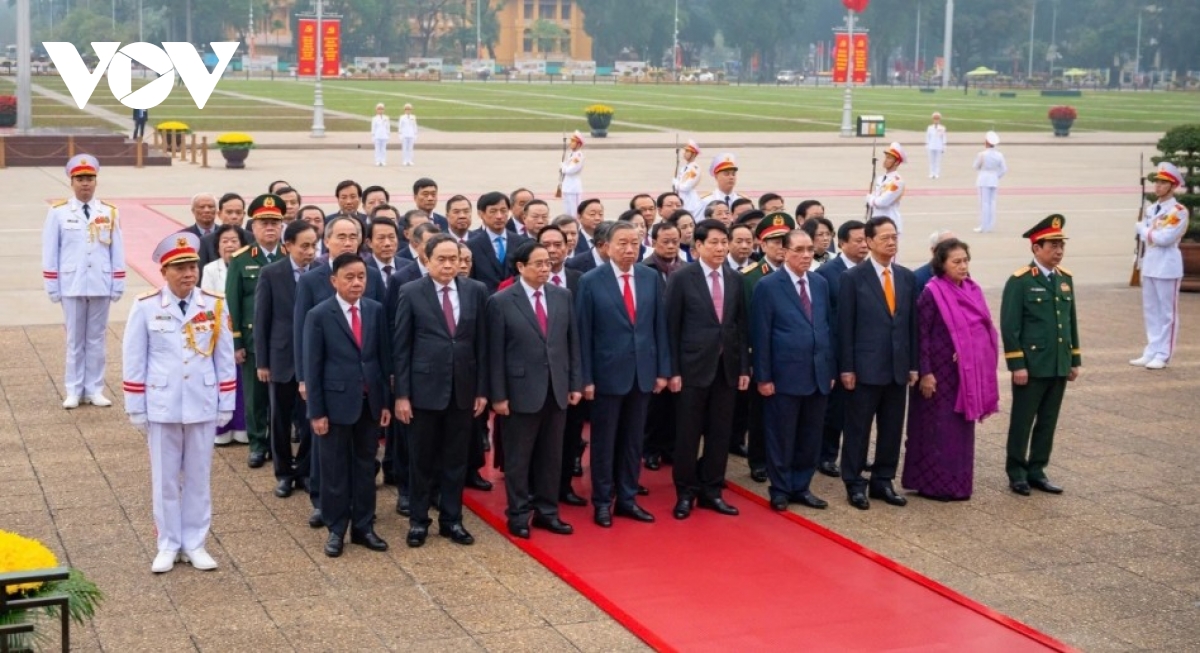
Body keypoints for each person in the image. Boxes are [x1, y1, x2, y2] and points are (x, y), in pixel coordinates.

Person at [123, 232, 235, 573]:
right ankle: (168, 543)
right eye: (180, 268)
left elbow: (224, 357)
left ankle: (195, 542)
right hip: (163, 402)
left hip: (202, 400)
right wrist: (135, 405)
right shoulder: (146, 306)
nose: (188, 274)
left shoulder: (214, 304)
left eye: (192, 267)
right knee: (165, 479)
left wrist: (226, 401)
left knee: (199, 478)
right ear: (164, 272)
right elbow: (134, 358)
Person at [393, 234, 489, 547]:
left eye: (454, 259)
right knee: (421, 460)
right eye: (442, 259)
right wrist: (402, 395)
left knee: (456, 460)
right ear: (427, 260)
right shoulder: (411, 291)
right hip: (423, 392)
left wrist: (482, 390)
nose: (449, 265)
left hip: (463, 390)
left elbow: (482, 344)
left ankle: (452, 520)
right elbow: (401, 347)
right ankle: (419, 521)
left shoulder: (476, 290)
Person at [576, 222, 670, 527]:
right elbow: (583, 333)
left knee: (633, 441)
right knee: (604, 442)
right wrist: (586, 378)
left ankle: (627, 498)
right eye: (622, 243)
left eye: (634, 243)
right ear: (607, 246)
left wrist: (662, 370)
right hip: (606, 375)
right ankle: (603, 501)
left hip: (642, 372)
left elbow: (659, 326)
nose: (629, 249)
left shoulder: (649, 277)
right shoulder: (591, 281)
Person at [487, 241, 583, 539]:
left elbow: (572, 343)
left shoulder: (562, 296)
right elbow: (494, 354)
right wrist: (498, 396)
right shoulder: (501, 301)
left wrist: (575, 383)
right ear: (521, 267)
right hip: (519, 391)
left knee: (551, 456)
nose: (545, 268)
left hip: (556, 388)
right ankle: (517, 514)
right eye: (538, 263)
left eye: (548, 264)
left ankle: (547, 512)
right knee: (519, 458)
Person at [303, 253, 392, 558]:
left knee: (366, 467)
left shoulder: (375, 310)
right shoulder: (319, 314)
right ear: (334, 280)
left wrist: (384, 402)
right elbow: (313, 367)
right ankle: (336, 528)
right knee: (334, 469)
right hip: (335, 404)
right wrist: (317, 412)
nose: (356, 283)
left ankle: (364, 526)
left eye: (361, 277)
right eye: (349, 277)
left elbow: (382, 359)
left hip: (369, 403)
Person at [665, 220, 749, 519]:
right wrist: (673, 370)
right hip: (692, 369)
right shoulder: (681, 277)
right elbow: (671, 327)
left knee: (720, 434)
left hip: (726, 369)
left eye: (724, 242)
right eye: (714, 242)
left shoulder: (735, 278)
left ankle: (712, 490)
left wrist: (743, 367)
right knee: (687, 435)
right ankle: (685, 493)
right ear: (698, 246)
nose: (720, 248)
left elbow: (740, 327)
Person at [903, 239, 999, 502]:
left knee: (961, 432)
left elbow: (984, 329)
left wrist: (969, 349)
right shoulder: (932, 292)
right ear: (942, 264)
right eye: (956, 262)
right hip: (937, 374)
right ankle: (932, 485)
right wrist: (926, 372)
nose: (963, 266)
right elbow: (921, 335)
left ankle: (959, 484)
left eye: (965, 260)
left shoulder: (972, 290)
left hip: (964, 375)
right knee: (936, 430)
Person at [752, 229, 836, 512]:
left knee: (810, 436)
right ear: (785, 252)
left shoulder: (820, 283)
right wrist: (764, 377)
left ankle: (801, 486)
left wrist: (830, 369)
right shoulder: (768, 286)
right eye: (799, 250)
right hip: (783, 376)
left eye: (810, 249)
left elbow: (826, 328)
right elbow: (761, 334)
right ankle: (780, 489)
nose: (806, 255)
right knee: (781, 436)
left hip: (817, 374)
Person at [838, 216, 918, 510]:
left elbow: (911, 325)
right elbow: (845, 326)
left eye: (894, 237)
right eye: (885, 237)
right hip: (864, 369)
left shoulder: (906, 277)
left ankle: (883, 480)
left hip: (897, 368)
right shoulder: (852, 278)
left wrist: (913, 365)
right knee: (858, 428)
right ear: (870, 241)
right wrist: (847, 367)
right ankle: (854, 482)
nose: (891, 242)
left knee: (892, 428)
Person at [1002, 214, 1080, 496]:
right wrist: (1017, 364)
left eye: (1061, 245)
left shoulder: (1065, 279)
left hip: (1058, 363)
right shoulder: (1021, 281)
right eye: (1053, 245)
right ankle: (1017, 472)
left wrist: (1074, 359)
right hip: (1032, 366)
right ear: (1036, 247)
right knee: (1023, 421)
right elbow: (1010, 326)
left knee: (1048, 421)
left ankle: (1037, 470)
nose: (1059, 251)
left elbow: (1070, 322)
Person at [43, 154, 125, 409]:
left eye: (89, 178)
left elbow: (117, 249)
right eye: (80, 179)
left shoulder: (108, 212)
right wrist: (52, 284)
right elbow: (50, 250)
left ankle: (94, 389)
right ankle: (74, 389)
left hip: (100, 281)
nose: (85, 183)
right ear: (71, 182)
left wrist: (118, 281)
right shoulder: (58, 212)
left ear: (96, 181)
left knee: (97, 339)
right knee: (75, 340)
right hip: (72, 283)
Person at [255, 221, 320, 499]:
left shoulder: (320, 273)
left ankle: (304, 470)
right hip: (281, 357)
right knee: (280, 420)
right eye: (304, 246)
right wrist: (262, 362)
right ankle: (283, 473)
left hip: (311, 357)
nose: (310, 251)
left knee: (310, 420)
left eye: (314, 245)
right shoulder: (271, 273)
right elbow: (262, 319)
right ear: (288, 245)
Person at [226, 194, 285, 469]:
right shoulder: (241, 260)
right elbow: (233, 303)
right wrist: (237, 341)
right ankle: (258, 444)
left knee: (283, 397)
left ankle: (278, 444)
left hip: (284, 339)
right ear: (253, 227)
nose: (270, 227)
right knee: (255, 397)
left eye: (275, 222)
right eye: (264, 223)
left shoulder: (289, 255)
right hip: (252, 339)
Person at [739, 212, 795, 482]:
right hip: (762, 355)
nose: (781, 247)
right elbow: (743, 323)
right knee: (761, 413)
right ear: (762, 245)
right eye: (775, 242)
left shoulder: (799, 275)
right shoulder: (749, 277)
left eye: (786, 242)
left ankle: (785, 459)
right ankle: (759, 460)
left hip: (792, 357)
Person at [813, 219, 868, 479]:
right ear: (842, 243)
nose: (863, 245)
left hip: (865, 351)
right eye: (858, 241)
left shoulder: (871, 270)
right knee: (835, 410)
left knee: (860, 410)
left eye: (866, 240)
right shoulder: (827, 273)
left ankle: (855, 454)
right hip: (836, 351)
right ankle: (826, 455)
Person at [1133, 162, 1189, 370]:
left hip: (1167, 265)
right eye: (1157, 182)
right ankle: (1152, 349)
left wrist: (1143, 230)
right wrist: (1147, 234)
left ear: (1172, 186)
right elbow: (1151, 238)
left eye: (1163, 183)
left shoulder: (1178, 211)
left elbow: (1165, 238)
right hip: (1151, 263)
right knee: (1151, 311)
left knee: (1167, 314)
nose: (1157, 186)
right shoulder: (1151, 209)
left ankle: (1164, 354)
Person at [202, 224, 249, 446]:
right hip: (219, 330)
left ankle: (243, 428)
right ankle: (221, 430)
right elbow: (207, 302)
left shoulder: (249, 265)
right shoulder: (211, 269)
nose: (230, 245)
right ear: (218, 246)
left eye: (234, 240)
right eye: (225, 241)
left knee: (243, 384)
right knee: (222, 378)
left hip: (243, 330)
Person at [469, 191, 530, 293]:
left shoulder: (522, 243)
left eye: (503, 210)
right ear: (481, 214)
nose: (499, 216)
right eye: (493, 211)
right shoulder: (472, 246)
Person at [866, 143, 907, 234]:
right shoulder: (880, 179)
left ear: (897, 162)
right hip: (876, 222)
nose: (885, 160)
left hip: (890, 223)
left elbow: (882, 202)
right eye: (886, 157)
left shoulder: (897, 181)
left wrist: (870, 198)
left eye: (889, 158)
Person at [973, 131, 1007, 233]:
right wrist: (996, 176)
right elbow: (1004, 169)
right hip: (994, 179)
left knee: (984, 203)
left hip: (983, 179)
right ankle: (990, 226)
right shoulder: (999, 155)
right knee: (992, 203)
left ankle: (983, 226)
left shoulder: (982, 154)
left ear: (987, 142)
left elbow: (975, 166)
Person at [913, 230, 956, 296]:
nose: (954, 251)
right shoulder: (918, 278)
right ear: (933, 250)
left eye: (956, 247)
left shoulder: (961, 273)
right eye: (948, 247)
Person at [674, 139, 703, 215]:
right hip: (682, 201)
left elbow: (686, 187)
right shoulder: (684, 168)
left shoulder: (694, 168)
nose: (685, 153)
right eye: (685, 151)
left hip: (690, 204)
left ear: (693, 154)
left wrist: (676, 183)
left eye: (687, 151)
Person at [560, 131, 585, 217]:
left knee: (575, 213)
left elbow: (571, 170)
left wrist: (563, 167)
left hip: (574, 188)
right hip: (567, 187)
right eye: (571, 141)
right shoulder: (572, 154)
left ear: (579, 144)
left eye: (573, 141)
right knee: (567, 212)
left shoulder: (578, 156)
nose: (571, 143)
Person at [925, 112, 946, 179]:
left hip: (939, 146)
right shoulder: (929, 127)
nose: (936, 120)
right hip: (931, 146)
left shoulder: (942, 128)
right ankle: (931, 173)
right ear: (933, 119)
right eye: (935, 119)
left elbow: (944, 138)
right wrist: (927, 145)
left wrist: (944, 147)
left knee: (937, 161)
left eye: (937, 119)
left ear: (939, 120)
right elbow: (927, 137)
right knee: (931, 161)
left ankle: (936, 173)